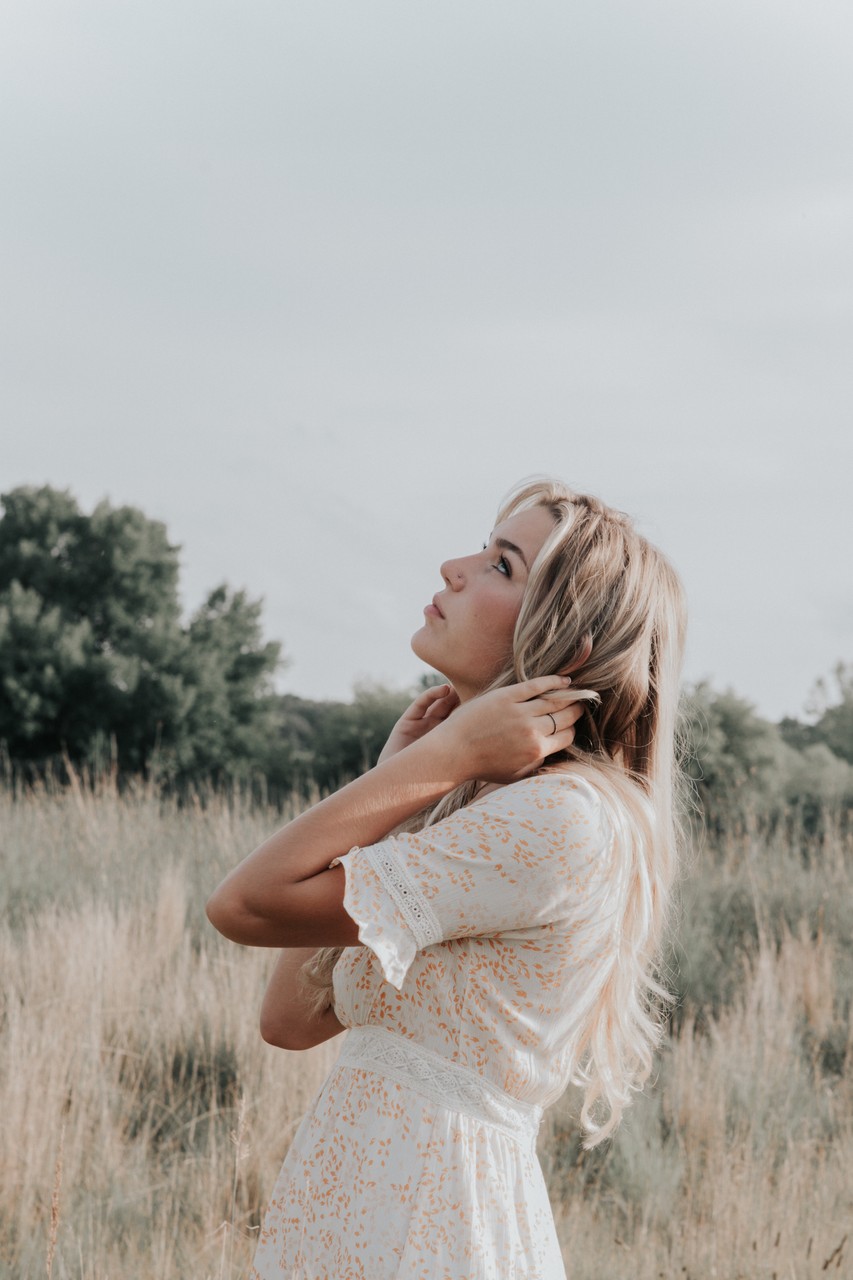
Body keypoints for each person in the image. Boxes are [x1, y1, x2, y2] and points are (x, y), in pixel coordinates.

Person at [206, 477, 687, 1280]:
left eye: (501, 564)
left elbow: (241, 906)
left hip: (432, 1224)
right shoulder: (475, 807)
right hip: (359, 1215)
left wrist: (440, 757)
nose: (452, 568)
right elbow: (288, 1019)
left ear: (566, 644)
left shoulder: (561, 819)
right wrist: (400, 789)